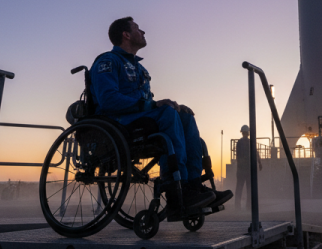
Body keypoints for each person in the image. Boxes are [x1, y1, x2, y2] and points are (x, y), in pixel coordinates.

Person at [89, 17, 232, 215]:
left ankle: (193, 185)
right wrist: (153, 105)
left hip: (139, 120)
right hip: (117, 122)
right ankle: (175, 189)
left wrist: (162, 106)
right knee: (167, 113)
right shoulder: (108, 62)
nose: (144, 32)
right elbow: (108, 100)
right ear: (126, 34)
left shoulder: (141, 70)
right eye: (138, 28)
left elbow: (149, 103)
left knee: (185, 115)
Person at [234, 124, 263, 210]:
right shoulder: (251, 143)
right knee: (249, 189)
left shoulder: (239, 143)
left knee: (239, 188)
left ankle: (237, 206)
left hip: (241, 169)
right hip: (249, 169)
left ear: (242, 133)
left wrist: (238, 167)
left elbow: (238, 156)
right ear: (248, 133)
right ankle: (248, 206)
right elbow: (256, 153)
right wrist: (259, 163)